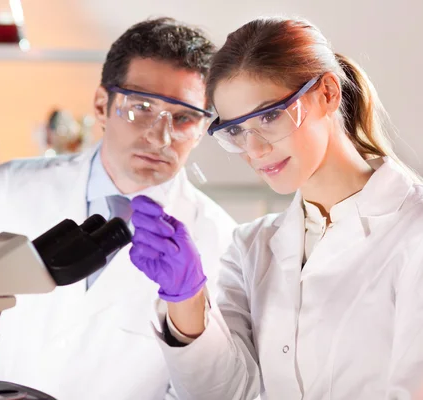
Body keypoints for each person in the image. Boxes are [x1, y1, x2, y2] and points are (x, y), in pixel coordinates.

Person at [0, 17, 237, 400]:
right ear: (102, 106)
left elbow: (213, 392)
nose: (159, 136)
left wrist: (188, 309)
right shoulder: (6, 190)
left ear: (202, 129)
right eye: (141, 108)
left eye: (183, 118)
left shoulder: (222, 239)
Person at [129, 16, 423, 400]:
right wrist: (185, 298)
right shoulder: (251, 246)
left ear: (328, 94)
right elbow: (229, 393)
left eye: (268, 116)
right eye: (235, 130)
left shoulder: (413, 232)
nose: (254, 150)